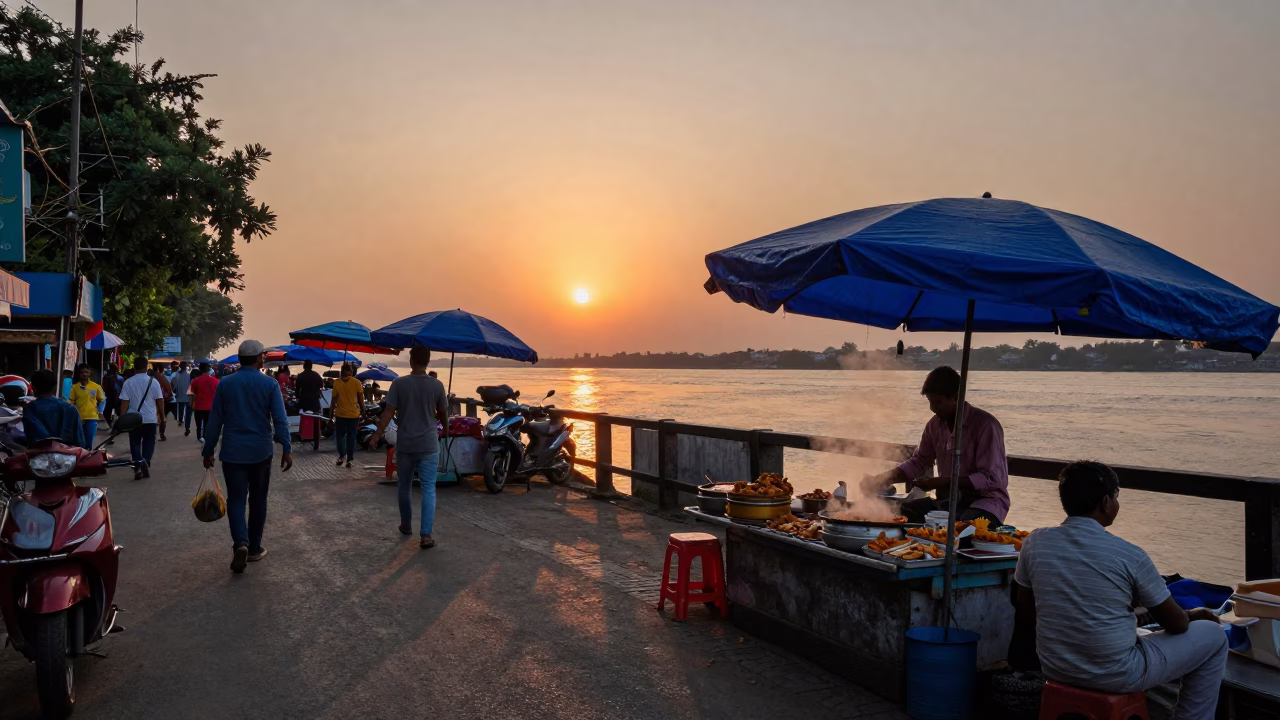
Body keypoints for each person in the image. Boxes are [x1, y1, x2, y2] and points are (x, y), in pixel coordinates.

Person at [1015, 461, 1226, 720]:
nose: (1117, 504)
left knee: (1131, 630)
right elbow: (1177, 625)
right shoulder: (1129, 555)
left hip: (1055, 666)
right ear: (1105, 502)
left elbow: (1025, 607)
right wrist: (1194, 614)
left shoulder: (1035, 542)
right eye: (1116, 496)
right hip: (1117, 674)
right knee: (1214, 637)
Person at [862, 366, 1009, 526]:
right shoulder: (934, 426)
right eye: (930, 401)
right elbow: (919, 461)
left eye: (938, 402)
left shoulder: (986, 425)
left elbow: (992, 478)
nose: (933, 408)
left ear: (956, 397)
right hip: (947, 502)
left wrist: (942, 482)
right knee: (903, 513)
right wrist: (882, 479)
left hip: (986, 503)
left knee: (962, 527)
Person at [201, 340, 293, 574]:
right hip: (261, 451)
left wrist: (208, 450)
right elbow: (281, 420)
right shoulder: (270, 384)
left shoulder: (225, 384)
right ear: (259, 358)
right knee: (258, 500)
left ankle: (240, 543)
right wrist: (287, 447)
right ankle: (253, 548)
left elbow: (215, 421)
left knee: (236, 500)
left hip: (233, 451)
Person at [368, 346, 449, 549]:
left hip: (406, 444)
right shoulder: (437, 385)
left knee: (404, 486)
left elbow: (388, 412)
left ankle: (406, 524)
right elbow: (443, 413)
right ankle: (426, 535)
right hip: (429, 444)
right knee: (428, 489)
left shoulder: (399, 384)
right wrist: (446, 429)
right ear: (428, 361)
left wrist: (377, 435)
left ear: (411, 361)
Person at [118, 357, 166, 479]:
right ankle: (145, 460)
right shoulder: (153, 381)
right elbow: (160, 401)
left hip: (133, 419)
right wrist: (162, 416)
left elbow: (124, 403)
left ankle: (137, 468)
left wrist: (122, 419)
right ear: (146, 367)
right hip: (150, 418)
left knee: (134, 443)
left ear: (134, 367)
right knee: (149, 442)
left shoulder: (128, 382)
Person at [23, 369, 84, 447]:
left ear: (33, 387)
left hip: (39, 455)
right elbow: (80, 442)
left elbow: (31, 438)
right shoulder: (70, 408)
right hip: (68, 455)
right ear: (55, 386)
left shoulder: (29, 409)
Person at [330, 363, 364, 468]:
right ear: (349, 372)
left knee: (339, 436)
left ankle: (342, 456)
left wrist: (330, 415)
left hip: (340, 414)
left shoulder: (336, 383)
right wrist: (363, 411)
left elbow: (333, 400)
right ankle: (349, 460)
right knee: (351, 437)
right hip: (354, 415)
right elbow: (360, 399)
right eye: (351, 370)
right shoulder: (357, 382)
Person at [68, 363, 105, 449]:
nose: (84, 374)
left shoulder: (96, 387)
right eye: (82, 372)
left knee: (89, 440)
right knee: (80, 440)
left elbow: (102, 400)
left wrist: (100, 411)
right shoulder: (74, 387)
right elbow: (70, 400)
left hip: (92, 417)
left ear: (89, 373)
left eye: (86, 372)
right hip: (79, 417)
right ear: (79, 374)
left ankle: (88, 456)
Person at [294, 359, 325, 451]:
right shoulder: (316, 375)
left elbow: (297, 390)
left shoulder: (300, 376)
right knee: (316, 422)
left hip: (304, 401)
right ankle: (316, 443)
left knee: (304, 420)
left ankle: (303, 437)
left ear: (304, 366)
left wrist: (298, 398)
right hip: (315, 401)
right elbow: (321, 385)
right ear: (311, 366)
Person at [189, 362, 219, 442]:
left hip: (198, 406)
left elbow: (193, 394)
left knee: (198, 424)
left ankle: (199, 437)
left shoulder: (195, 381)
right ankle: (205, 437)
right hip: (210, 407)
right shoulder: (216, 381)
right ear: (209, 370)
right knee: (207, 424)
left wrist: (192, 404)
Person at [171, 361, 193, 437]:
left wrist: (175, 393)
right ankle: (187, 426)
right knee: (188, 412)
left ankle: (180, 420)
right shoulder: (189, 375)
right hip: (188, 395)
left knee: (180, 408)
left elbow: (175, 386)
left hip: (180, 394)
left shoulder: (177, 374)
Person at [153, 365, 174, 441]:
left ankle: (154, 434)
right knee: (162, 417)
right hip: (164, 399)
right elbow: (169, 389)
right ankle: (162, 434)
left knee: (157, 417)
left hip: (156, 400)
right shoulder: (163, 378)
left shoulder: (154, 378)